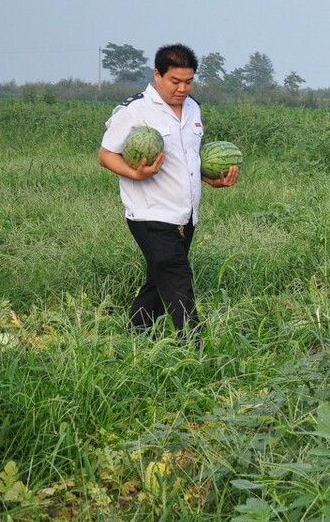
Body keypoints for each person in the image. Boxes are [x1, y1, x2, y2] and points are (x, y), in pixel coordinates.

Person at [98, 43, 239, 337]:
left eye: (188, 81)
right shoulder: (135, 110)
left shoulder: (193, 107)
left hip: (185, 216)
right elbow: (106, 154)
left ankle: (134, 337)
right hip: (150, 214)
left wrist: (208, 178)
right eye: (175, 81)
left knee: (158, 281)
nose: (182, 88)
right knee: (178, 278)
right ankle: (196, 348)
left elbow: (186, 160)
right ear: (157, 75)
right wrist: (134, 173)